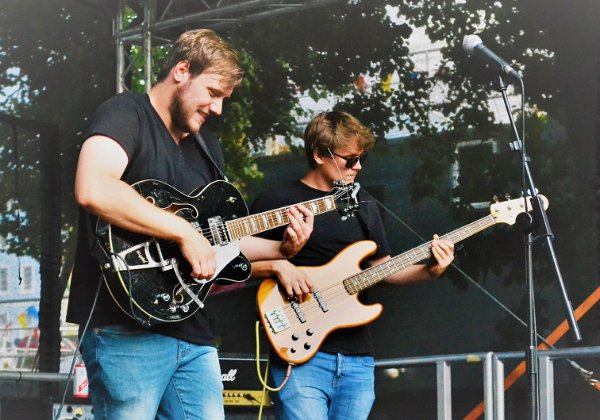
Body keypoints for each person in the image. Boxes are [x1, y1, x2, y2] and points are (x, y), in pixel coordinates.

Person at [66, 29, 313, 420]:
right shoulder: (125, 113)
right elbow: (93, 187)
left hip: (192, 330)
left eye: (223, 100)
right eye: (213, 92)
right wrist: (183, 232)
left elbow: (218, 241)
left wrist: (281, 249)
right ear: (182, 71)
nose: (217, 108)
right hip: (124, 327)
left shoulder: (207, 149)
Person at [250, 110, 455, 420]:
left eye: (362, 158)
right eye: (350, 159)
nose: (358, 166)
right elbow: (233, 266)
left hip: (358, 358)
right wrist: (279, 265)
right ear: (320, 154)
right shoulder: (277, 202)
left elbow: (384, 270)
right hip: (301, 352)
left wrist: (431, 270)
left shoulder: (362, 205)